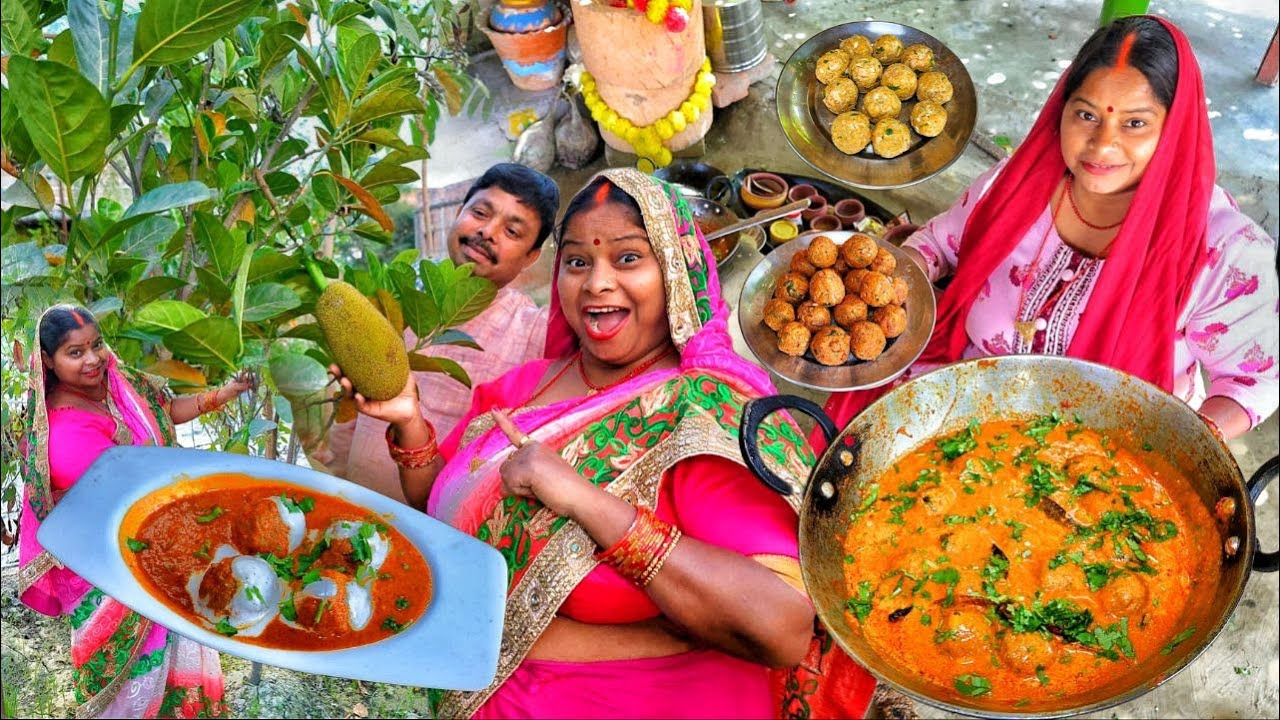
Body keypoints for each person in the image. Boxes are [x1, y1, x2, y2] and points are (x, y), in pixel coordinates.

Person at [335, 168, 877, 718]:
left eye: (627, 258)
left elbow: (783, 629)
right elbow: (447, 508)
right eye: (577, 261)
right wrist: (407, 420)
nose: (596, 282)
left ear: (674, 270)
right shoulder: (523, 388)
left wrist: (584, 500)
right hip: (475, 682)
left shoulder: (702, 413)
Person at [825, 16, 1278, 439]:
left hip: (1103, 450)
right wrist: (872, 284)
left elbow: (1253, 382)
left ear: (1174, 130)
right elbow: (939, 246)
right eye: (1086, 115)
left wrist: (1177, 449)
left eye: (1135, 123)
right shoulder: (1013, 186)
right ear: (1062, 110)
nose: (1102, 144)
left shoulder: (1222, 249)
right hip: (959, 410)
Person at [18, 305, 254, 718]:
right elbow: (120, 501)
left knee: (179, 662)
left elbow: (165, 410)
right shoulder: (65, 429)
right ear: (50, 362)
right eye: (75, 353)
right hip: (111, 570)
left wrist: (223, 394)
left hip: (159, 545)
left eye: (96, 344)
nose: (92, 359)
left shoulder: (117, 384)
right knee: (133, 686)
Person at [324, 163, 560, 502]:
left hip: (436, 531)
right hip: (349, 501)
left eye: (512, 231)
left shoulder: (532, 333)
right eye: (480, 212)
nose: (488, 232)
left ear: (531, 256)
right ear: (459, 211)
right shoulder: (398, 288)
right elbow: (346, 414)